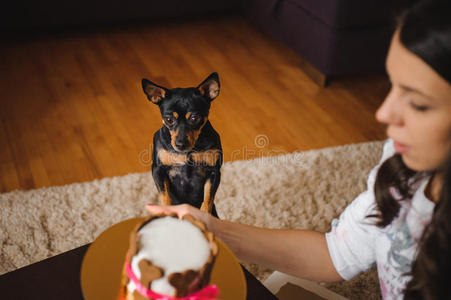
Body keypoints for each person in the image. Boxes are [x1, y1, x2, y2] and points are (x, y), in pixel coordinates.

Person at [146, 1, 451, 299]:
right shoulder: (397, 167)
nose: (382, 114)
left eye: (418, 103)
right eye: (391, 86)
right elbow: (337, 253)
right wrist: (213, 228)